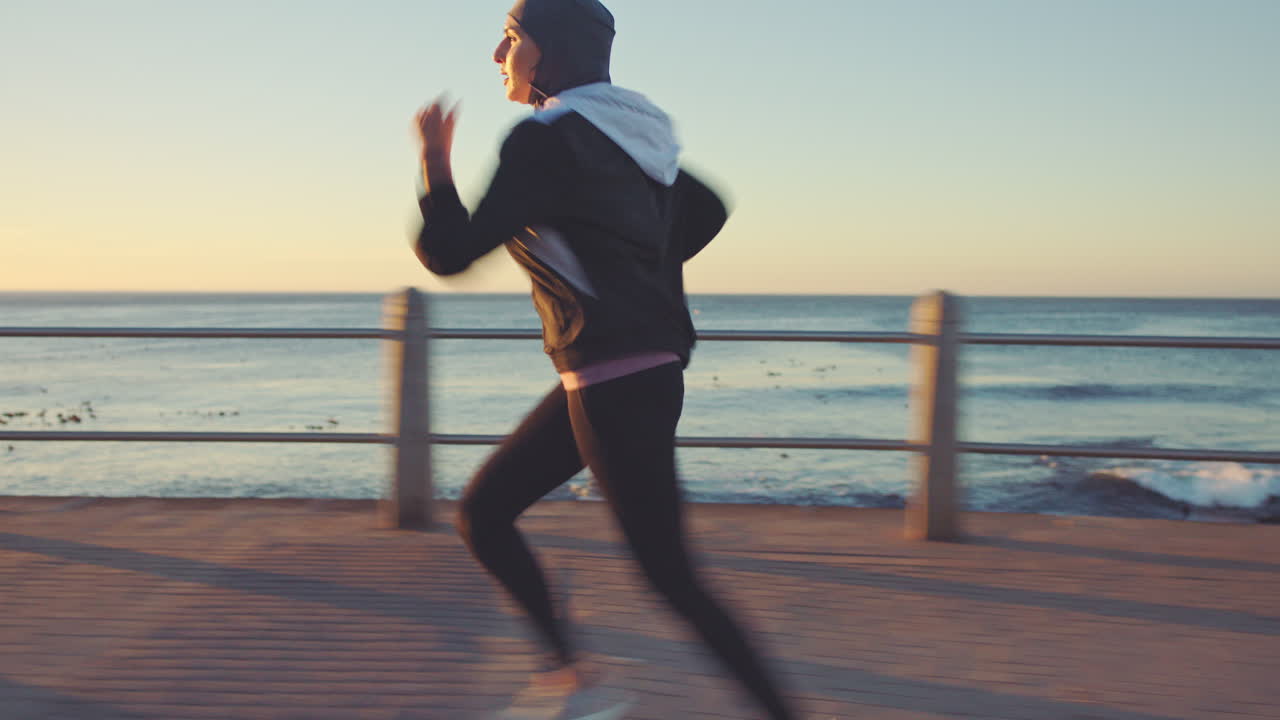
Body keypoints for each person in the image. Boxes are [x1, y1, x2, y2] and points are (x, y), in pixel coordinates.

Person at [412, 1, 799, 718]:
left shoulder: (546, 140)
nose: (497, 56)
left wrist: (434, 162)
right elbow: (708, 207)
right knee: (486, 512)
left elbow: (450, 251)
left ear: (547, 48)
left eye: (510, 38)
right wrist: (638, 271)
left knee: (670, 577)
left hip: (611, 376)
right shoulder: (632, 134)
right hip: (631, 371)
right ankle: (573, 685)